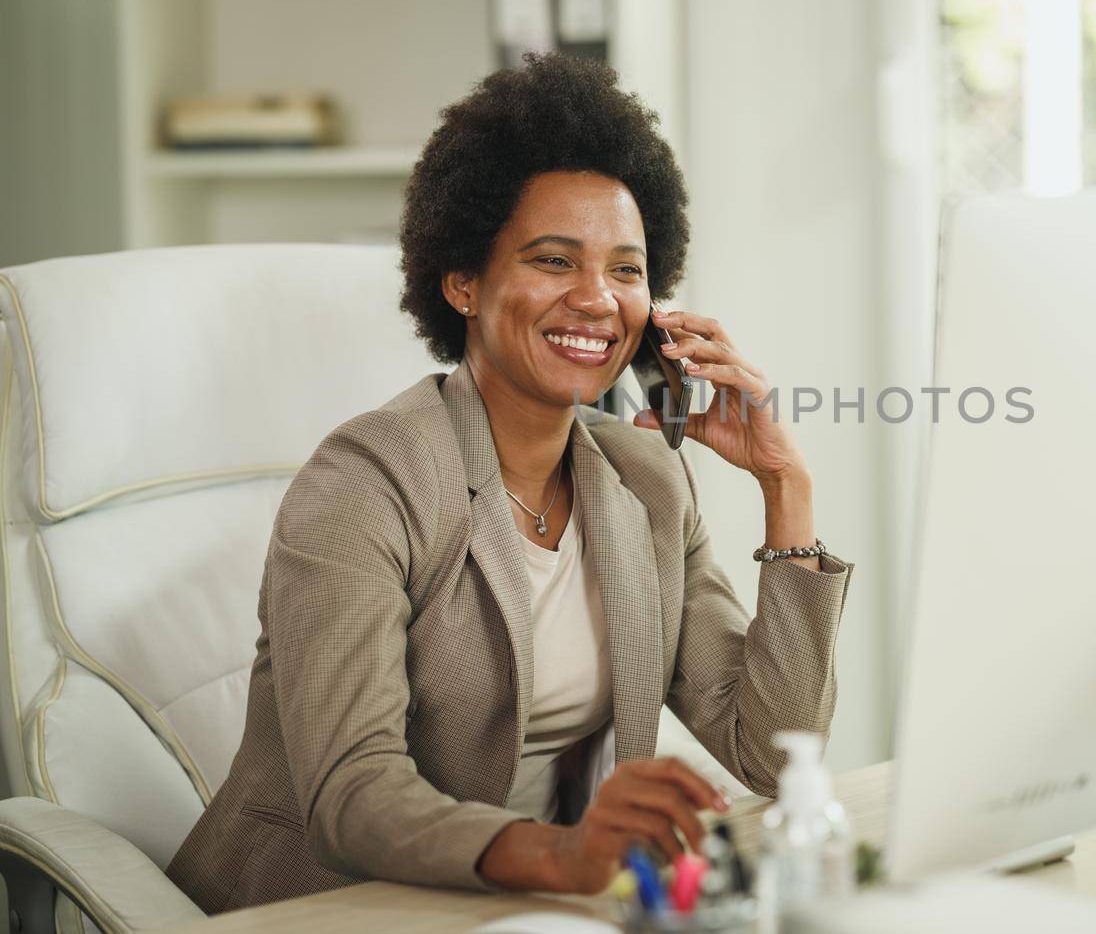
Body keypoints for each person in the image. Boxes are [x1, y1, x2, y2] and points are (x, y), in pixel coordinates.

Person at [166, 52, 854, 913]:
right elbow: (353, 795)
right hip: (325, 907)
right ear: (463, 281)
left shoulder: (647, 480)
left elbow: (772, 749)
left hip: (538, 907)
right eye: (554, 261)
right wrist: (567, 853)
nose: (598, 299)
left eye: (627, 270)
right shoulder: (364, 483)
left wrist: (784, 487)